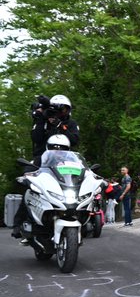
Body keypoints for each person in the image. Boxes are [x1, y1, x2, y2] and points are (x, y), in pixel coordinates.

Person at [12, 94, 80, 238]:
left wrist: (60, 125)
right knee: (29, 185)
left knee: (76, 183)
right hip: (42, 160)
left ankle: (81, 217)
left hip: (64, 160)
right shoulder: (42, 119)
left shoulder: (71, 123)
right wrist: (43, 119)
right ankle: (19, 223)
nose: (63, 113)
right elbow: (36, 138)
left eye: (65, 110)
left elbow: (74, 140)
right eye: (59, 110)